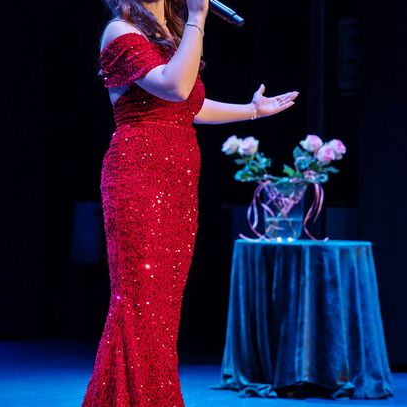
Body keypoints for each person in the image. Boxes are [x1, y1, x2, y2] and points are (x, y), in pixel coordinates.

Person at [82, 0, 299, 405]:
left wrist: (252, 111)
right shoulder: (120, 31)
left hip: (178, 184)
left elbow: (189, 106)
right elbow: (175, 86)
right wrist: (199, 18)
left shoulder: (168, 36)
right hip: (138, 178)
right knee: (139, 303)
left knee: (162, 311)